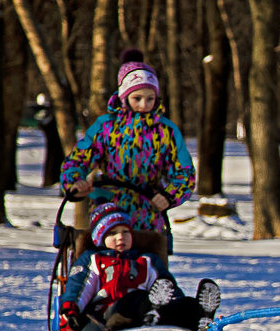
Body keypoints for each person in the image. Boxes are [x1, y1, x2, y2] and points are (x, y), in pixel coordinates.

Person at [60, 49, 195, 263]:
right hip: (108, 213)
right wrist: (75, 182)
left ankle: (164, 294)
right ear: (124, 98)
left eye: (150, 99)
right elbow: (78, 159)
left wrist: (169, 196)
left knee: (151, 270)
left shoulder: (166, 131)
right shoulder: (106, 127)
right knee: (97, 265)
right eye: (137, 98)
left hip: (148, 215)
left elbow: (184, 173)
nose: (144, 105)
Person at [59, 203, 221, 331]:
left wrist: (177, 304)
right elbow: (80, 287)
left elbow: (167, 286)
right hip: (110, 315)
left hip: (149, 311)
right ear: (99, 238)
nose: (120, 237)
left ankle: (198, 316)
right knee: (137, 298)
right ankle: (153, 312)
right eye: (112, 233)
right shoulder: (94, 259)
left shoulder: (147, 260)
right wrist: (71, 311)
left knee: (182, 303)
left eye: (126, 231)